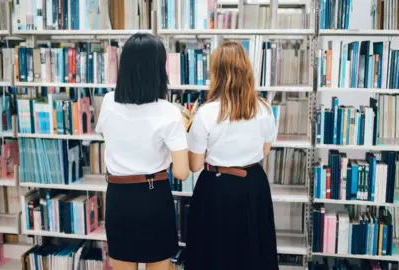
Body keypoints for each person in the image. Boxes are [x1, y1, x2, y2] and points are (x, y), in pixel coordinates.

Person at [95, 33, 190, 270]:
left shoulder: (107, 102)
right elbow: (182, 172)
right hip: (153, 197)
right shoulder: (169, 112)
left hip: (118, 197)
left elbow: (109, 136)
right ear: (158, 69)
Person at [185, 42, 279, 270]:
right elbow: (264, 151)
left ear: (216, 73)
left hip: (216, 189)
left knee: (214, 255)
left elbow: (195, 165)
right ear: (247, 71)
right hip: (253, 185)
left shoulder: (206, 113)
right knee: (253, 253)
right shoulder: (264, 109)